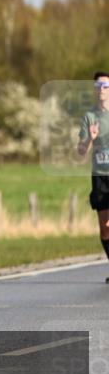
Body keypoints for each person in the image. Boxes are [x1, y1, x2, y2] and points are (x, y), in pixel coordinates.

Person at [77, 70, 109, 280]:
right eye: (98, 86)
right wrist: (90, 138)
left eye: (105, 86)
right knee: (104, 228)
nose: (101, 90)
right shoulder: (89, 117)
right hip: (99, 175)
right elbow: (80, 151)